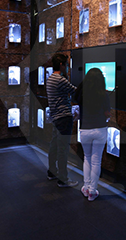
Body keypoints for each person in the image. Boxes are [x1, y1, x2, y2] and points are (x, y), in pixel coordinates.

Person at [74, 68, 111, 201]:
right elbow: (108, 113)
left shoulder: (82, 93)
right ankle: (92, 191)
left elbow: (75, 101)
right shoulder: (104, 94)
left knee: (87, 158)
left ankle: (85, 187)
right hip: (100, 129)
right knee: (96, 161)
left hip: (85, 130)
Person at [46, 53, 78, 188]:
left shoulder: (50, 78)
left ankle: (52, 172)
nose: (68, 67)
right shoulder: (60, 80)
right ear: (61, 65)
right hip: (64, 118)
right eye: (67, 64)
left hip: (55, 117)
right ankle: (63, 179)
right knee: (63, 149)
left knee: (54, 146)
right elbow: (75, 90)